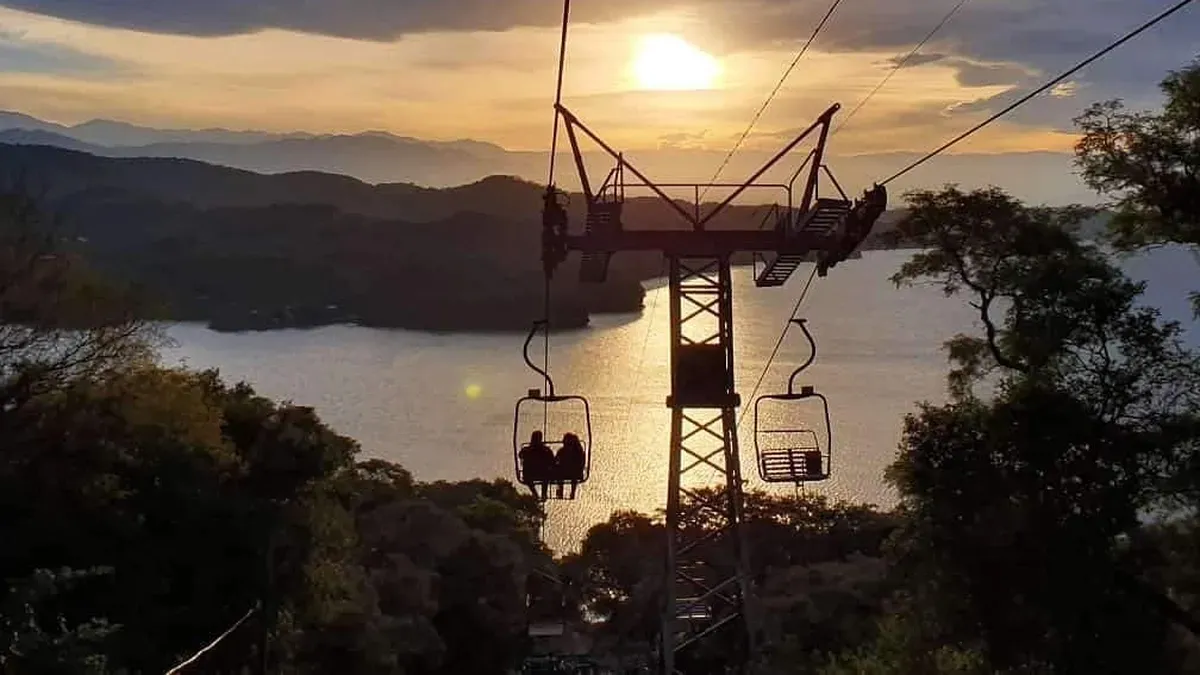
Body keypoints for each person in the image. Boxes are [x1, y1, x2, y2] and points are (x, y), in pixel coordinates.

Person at [519, 430, 555, 500]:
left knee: (529, 478)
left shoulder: (526, 450)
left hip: (530, 475)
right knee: (546, 475)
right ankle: (543, 494)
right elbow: (552, 460)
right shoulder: (546, 450)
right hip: (542, 474)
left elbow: (520, 455)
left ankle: (535, 494)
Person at [554, 432, 586, 499]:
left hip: (569, 473)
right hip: (573, 473)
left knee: (560, 473)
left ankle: (562, 491)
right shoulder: (577, 451)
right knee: (566, 474)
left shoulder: (563, 451)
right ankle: (568, 492)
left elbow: (555, 460)